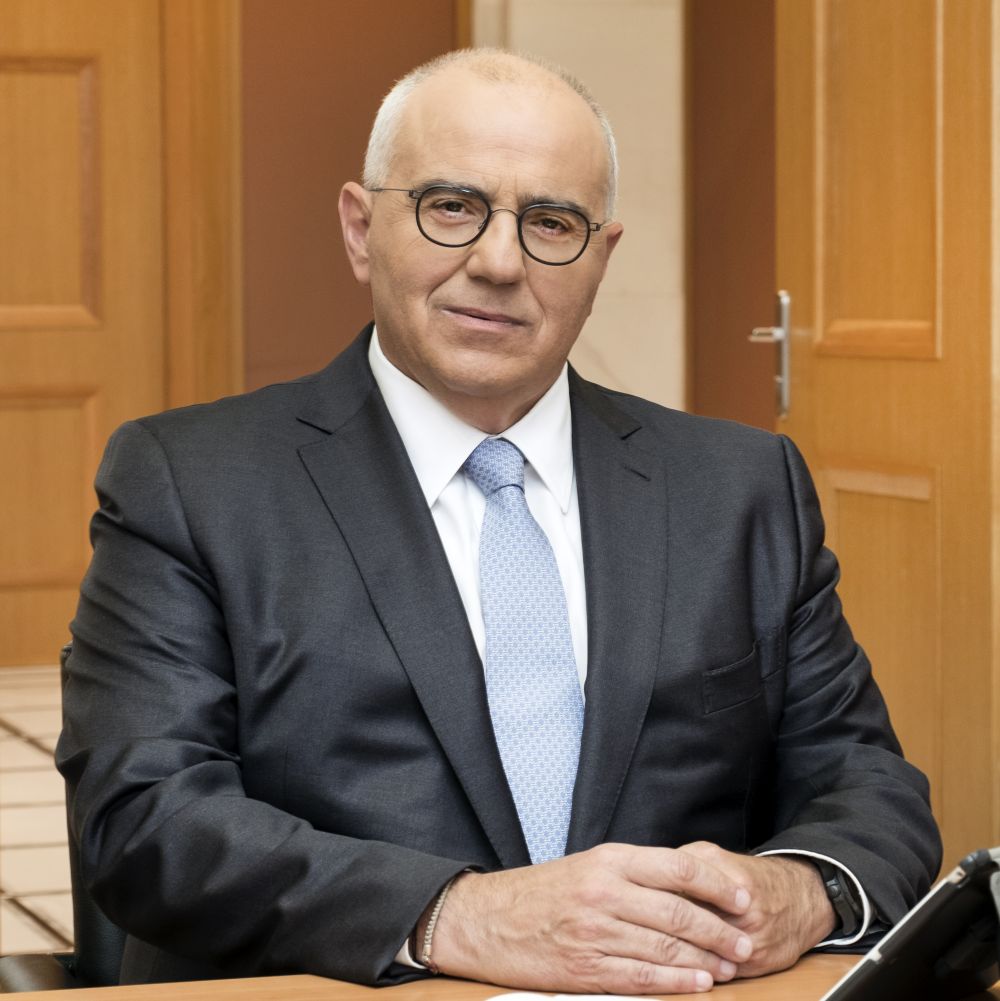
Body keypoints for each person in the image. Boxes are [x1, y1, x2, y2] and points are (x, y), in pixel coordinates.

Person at [58, 48, 940, 995]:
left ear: (600, 258)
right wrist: (461, 915)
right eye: (451, 206)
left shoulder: (741, 487)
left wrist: (803, 890)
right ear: (360, 228)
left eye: (552, 222)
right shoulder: (191, 481)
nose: (499, 262)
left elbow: (870, 785)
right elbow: (144, 818)